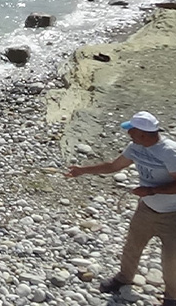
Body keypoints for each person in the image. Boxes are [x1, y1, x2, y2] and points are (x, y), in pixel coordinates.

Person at [67, 111, 176, 306]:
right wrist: (82, 170)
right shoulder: (135, 147)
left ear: (143, 133)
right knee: (132, 246)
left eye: (131, 131)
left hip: (172, 214)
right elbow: (112, 166)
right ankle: (124, 278)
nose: (128, 134)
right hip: (146, 210)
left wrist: (151, 191)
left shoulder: (170, 152)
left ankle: (172, 297)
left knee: (172, 259)